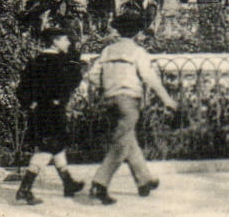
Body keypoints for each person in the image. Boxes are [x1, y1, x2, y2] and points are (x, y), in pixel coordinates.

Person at [86, 10, 178, 204]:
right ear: (137, 33)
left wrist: (109, 85)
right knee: (121, 144)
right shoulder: (138, 52)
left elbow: (93, 76)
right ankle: (99, 183)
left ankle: (144, 180)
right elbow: (149, 78)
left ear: (119, 31)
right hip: (128, 100)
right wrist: (167, 100)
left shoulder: (107, 51)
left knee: (127, 138)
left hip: (109, 99)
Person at [14, 22, 87, 204]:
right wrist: (75, 58)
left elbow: (22, 88)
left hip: (39, 111)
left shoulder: (35, 61)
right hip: (53, 112)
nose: (68, 42)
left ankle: (68, 182)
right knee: (49, 148)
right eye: (65, 39)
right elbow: (73, 81)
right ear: (55, 42)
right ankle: (25, 189)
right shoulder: (61, 63)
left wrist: (31, 104)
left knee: (56, 145)